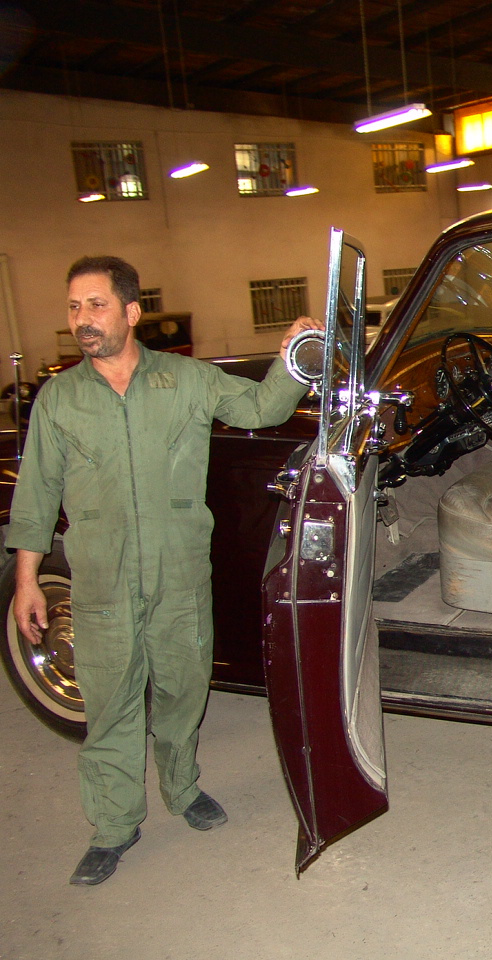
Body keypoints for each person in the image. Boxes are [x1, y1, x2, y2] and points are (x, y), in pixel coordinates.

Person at [5, 255, 322, 885]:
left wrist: (296, 360)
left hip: (179, 580)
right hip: (100, 586)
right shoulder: (60, 400)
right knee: (112, 706)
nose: (81, 321)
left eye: (96, 305)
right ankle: (114, 826)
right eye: (73, 308)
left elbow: (260, 408)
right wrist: (26, 583)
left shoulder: (187, 380)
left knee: (182, 692)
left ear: (131, 311)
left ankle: (183, 789)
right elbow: (36, 495)